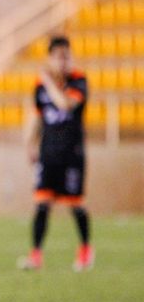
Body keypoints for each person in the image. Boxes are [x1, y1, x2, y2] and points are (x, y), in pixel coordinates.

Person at [20, 35, 93, 272]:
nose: (64, 61)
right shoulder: (39, 87)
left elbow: (64, 104)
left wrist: (49, 82)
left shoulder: (79, 81)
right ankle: (35, 256)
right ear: (50, 59)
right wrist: (30, 144)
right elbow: (37, 117)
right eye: (59, 57)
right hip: (48, 152)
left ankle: (84, 251)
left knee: (76, 205)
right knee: (42, 204)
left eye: (67, 56)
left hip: (72, 152)